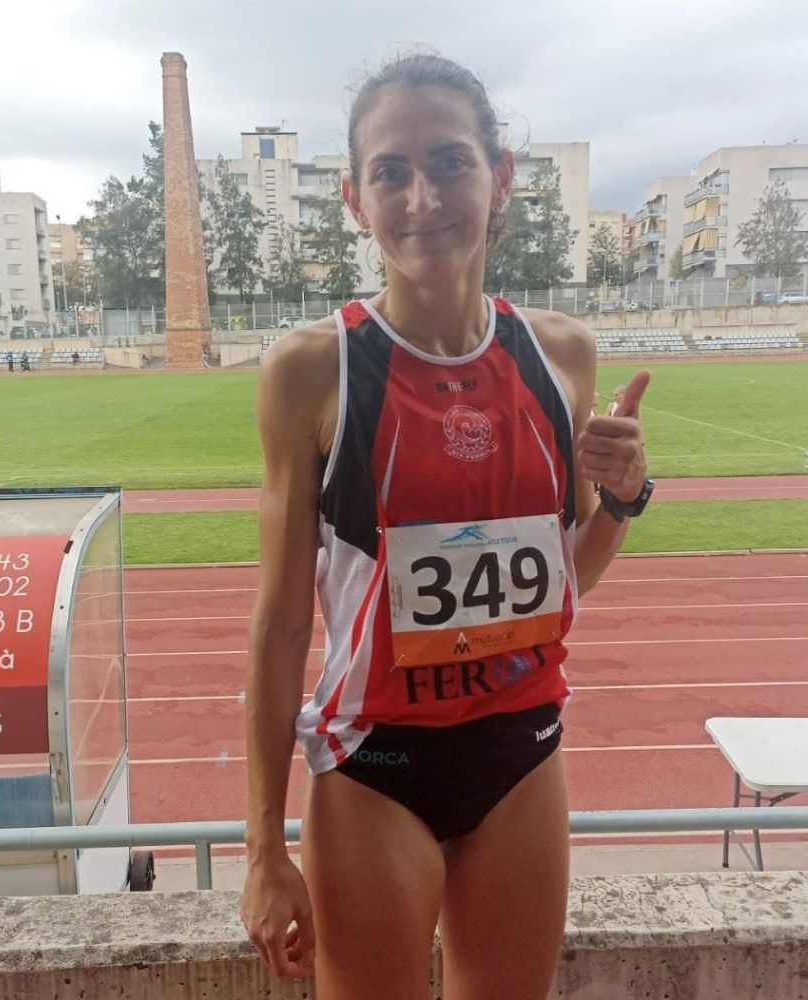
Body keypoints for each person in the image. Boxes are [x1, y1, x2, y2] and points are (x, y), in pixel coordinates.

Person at [241, 53, 651, 1000]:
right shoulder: (313, 371)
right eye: (391, 171)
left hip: (521, 758)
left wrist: (625, 498)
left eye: (450, 162)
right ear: (354, 198)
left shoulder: (563, 356)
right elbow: (281, 624)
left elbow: (565, 578)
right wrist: (263, 847)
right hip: (375, 766)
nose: (422, 196)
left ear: (499, 176)